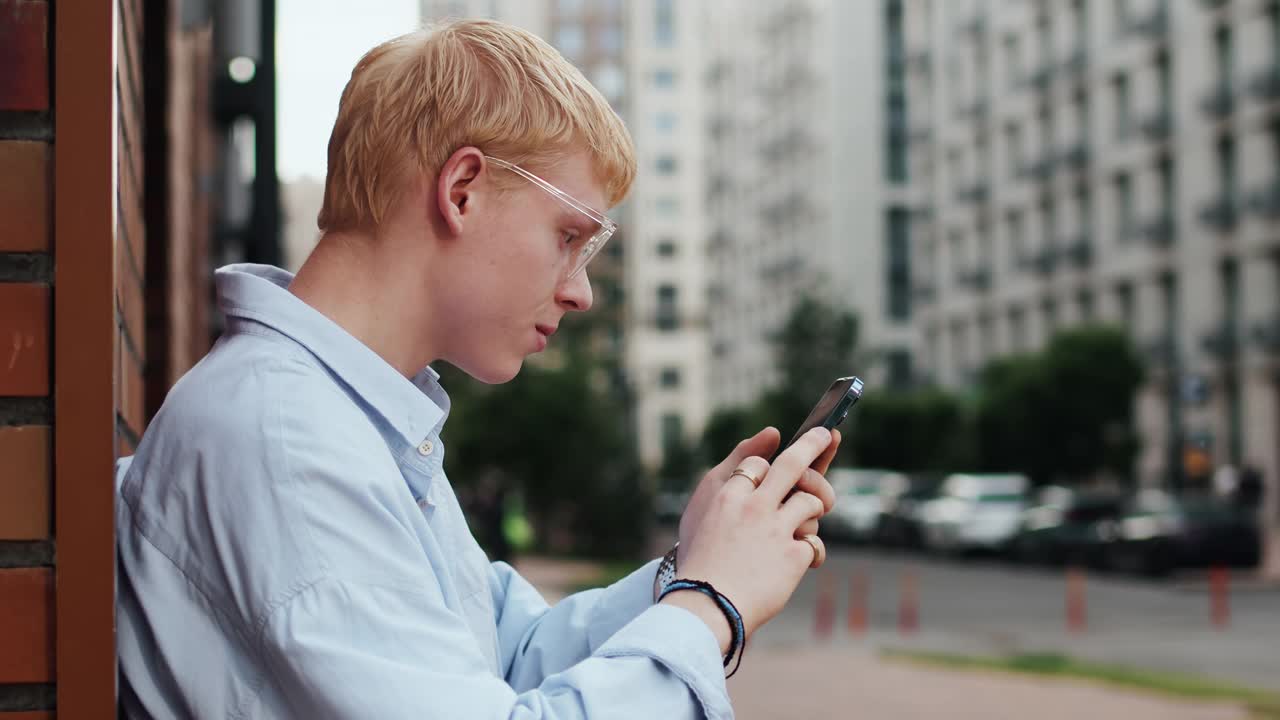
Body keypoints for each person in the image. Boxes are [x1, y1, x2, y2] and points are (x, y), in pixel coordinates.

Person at [115, 19, 840, 720]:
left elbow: (510, 652)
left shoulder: (348, 423)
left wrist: (697, 563)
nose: (580, 290)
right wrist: (710, 601)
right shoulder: (289, 442)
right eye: (570, 237)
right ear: (462, 189)